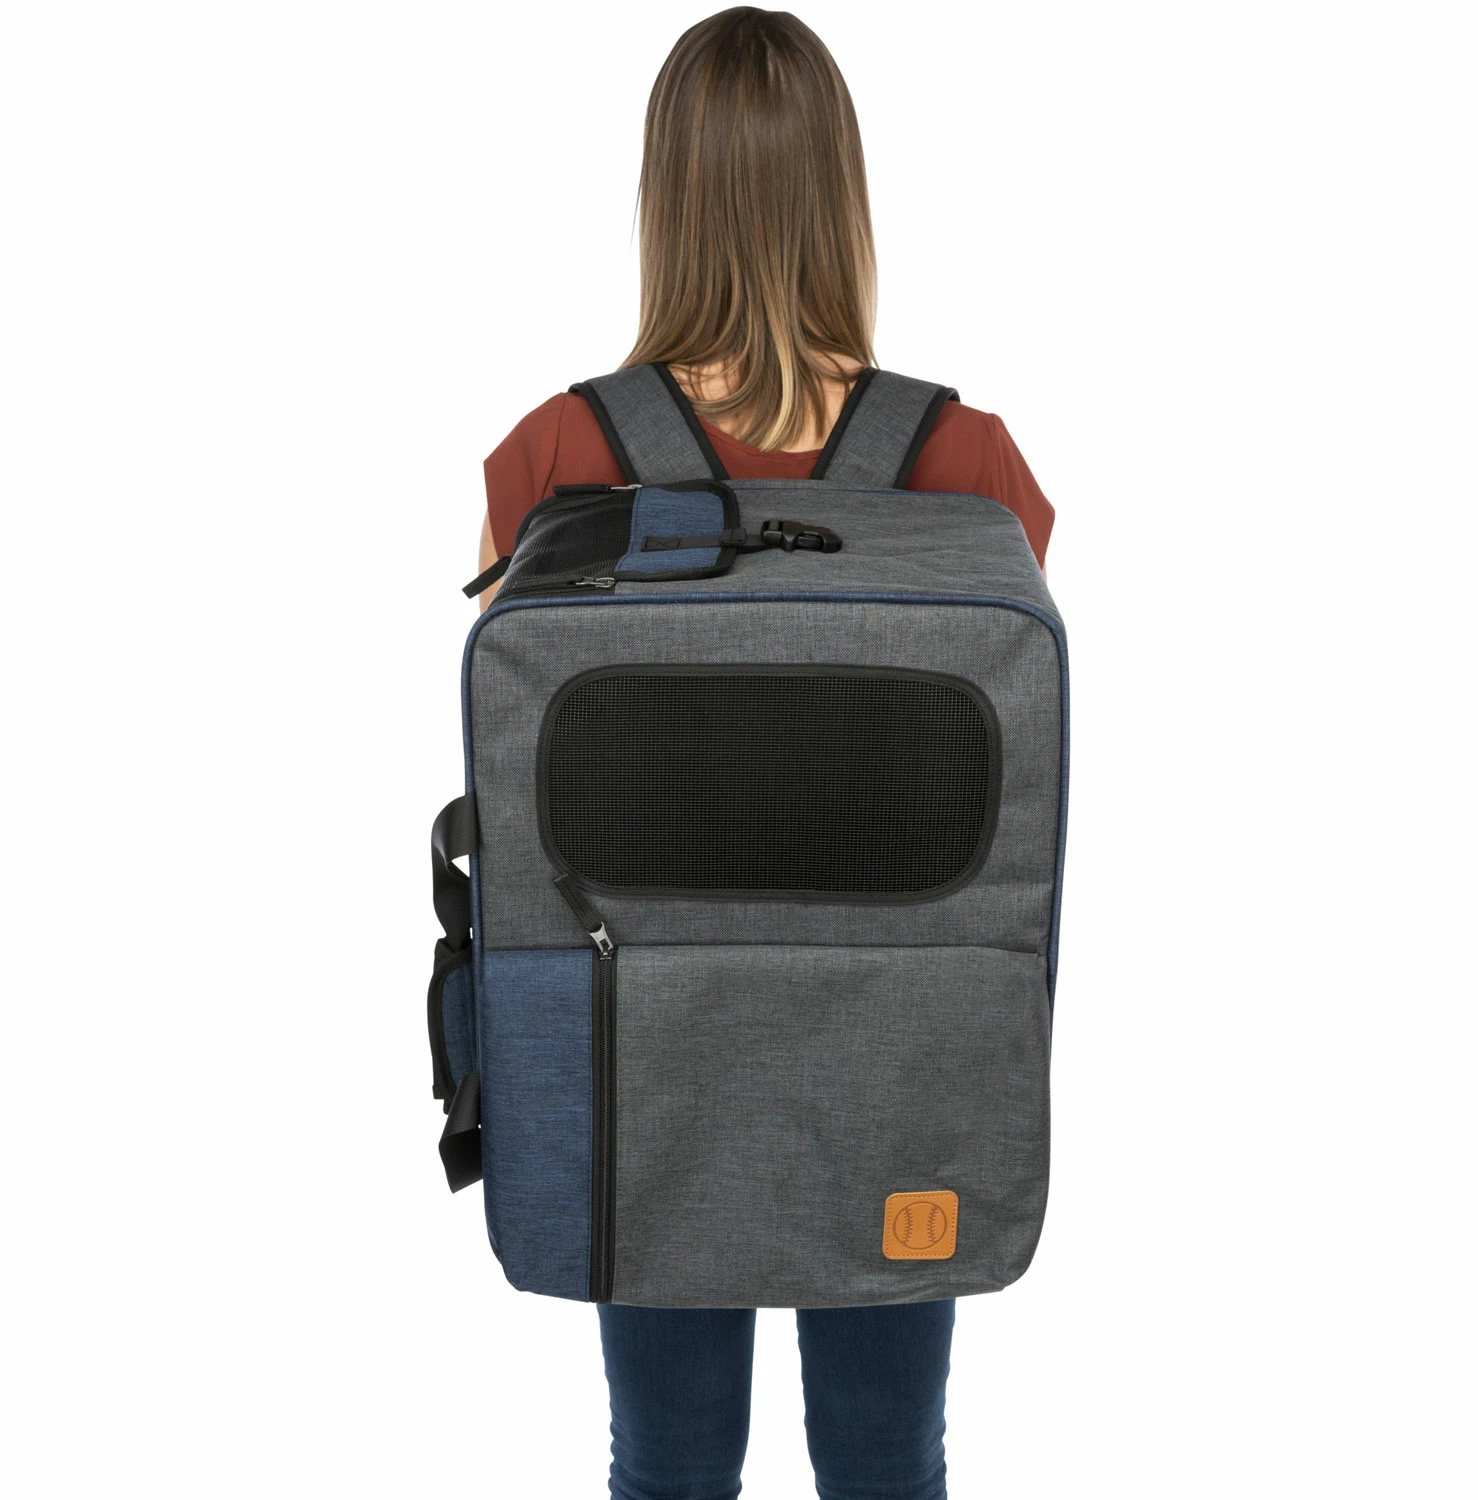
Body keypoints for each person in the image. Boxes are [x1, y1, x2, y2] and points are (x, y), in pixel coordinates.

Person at [475, 10, 1053, 1498]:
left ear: (659, 200)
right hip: (902, 1046)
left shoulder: (555, 456)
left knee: (666, 1463)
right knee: (887, 1459)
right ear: (844, 198)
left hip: (643, 1053)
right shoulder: (968, 463)